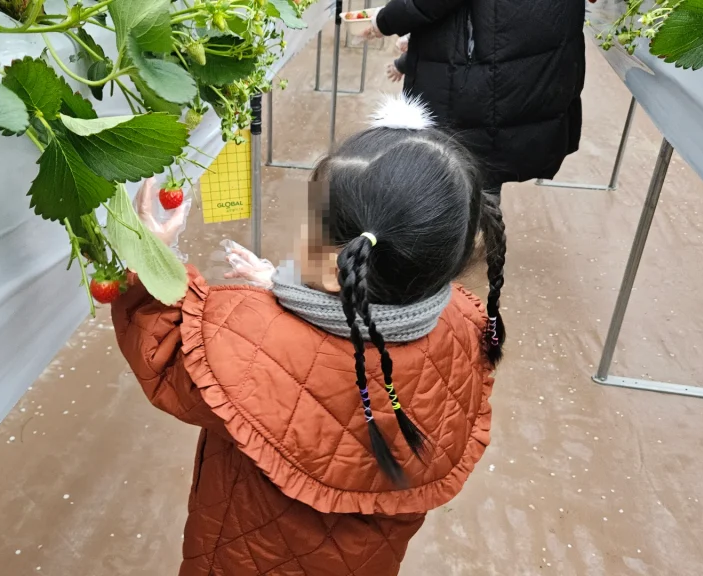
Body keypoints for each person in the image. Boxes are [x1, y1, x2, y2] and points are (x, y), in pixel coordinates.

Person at [113, 94, 503, 575]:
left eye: (310, 221)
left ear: (341, 272)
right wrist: (285, 287)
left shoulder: (250, 338)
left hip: (247, 556)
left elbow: (166, 350)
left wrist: (149, 260)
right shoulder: (467, 325)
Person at [364, 0, 586, 189]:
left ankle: (477, 232)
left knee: (466, 176)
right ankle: (486, 231)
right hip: (535, 54)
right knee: (483, 175)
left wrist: (385, 20)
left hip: (485, 70)